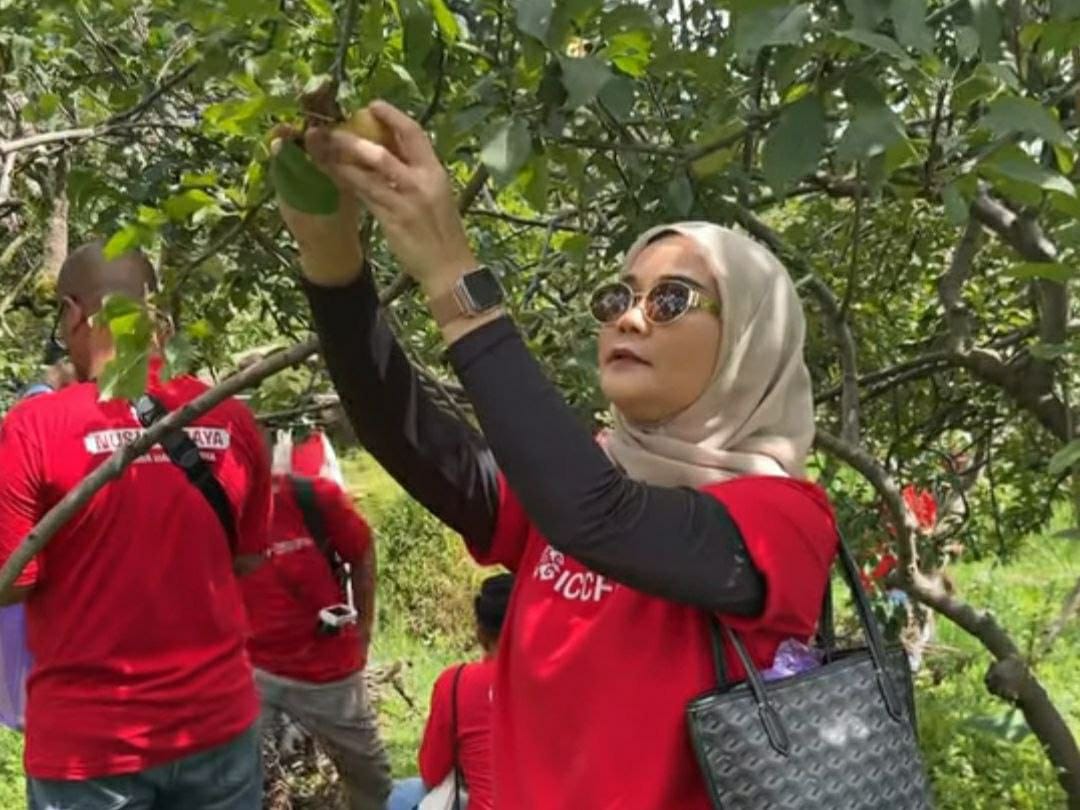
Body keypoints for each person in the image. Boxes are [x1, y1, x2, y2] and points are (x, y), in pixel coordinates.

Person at [275, 102, 838, 808]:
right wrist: (334, 267)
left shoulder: (780, 520)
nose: (630, 317)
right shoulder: (578, 482)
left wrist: (455, 273)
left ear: (751, 342)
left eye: (672, 298)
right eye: (619, 297)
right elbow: (407, 434)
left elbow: (596, 519)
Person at [0, 241, 271, 809]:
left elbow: (13, 582)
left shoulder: (32, 429)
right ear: (157, 321)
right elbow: (246, 558)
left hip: (88, 750)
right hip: (217, 725)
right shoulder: (227, 415)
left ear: (75, 314)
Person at [240, 467, 391, 809]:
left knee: (371, 778)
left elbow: (362, 550)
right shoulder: (213, 507)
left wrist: (364, 627)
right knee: (230, 777)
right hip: (251, 670)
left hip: (327, 669)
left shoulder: (312, 498)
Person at [387, 573, 511, 810]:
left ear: (480, 632)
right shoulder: (561, 682)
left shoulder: (456, 682)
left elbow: (432, 772)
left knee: (404, 795)